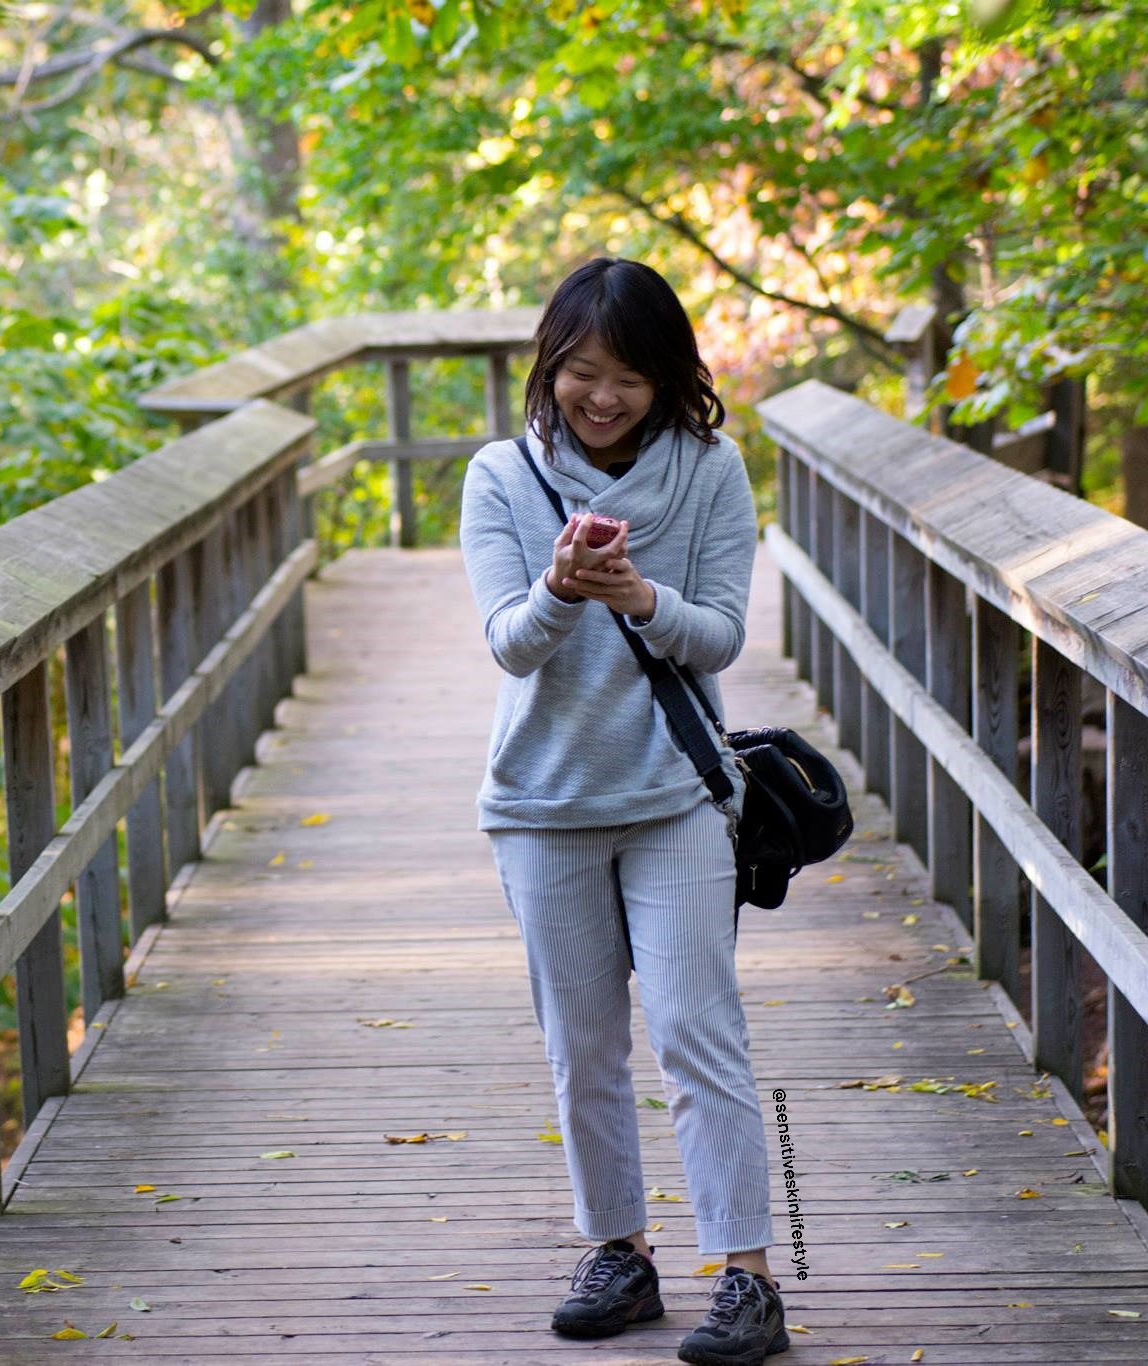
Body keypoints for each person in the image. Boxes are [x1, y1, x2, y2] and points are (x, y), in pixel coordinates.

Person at [458, 257, 783, 1366]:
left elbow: (722, 636)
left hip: (672, 797)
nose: (600, 397)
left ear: (668, 378)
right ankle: (620, 1253)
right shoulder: (500, 475)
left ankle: (744, 1274)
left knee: (698, 1030)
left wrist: (640, 597)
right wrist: (555, 590)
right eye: (580, 373)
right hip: (540, 801)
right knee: (581, 1046)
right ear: (548, 368)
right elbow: (505, 642)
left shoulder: (708, 469)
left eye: (629, 378)